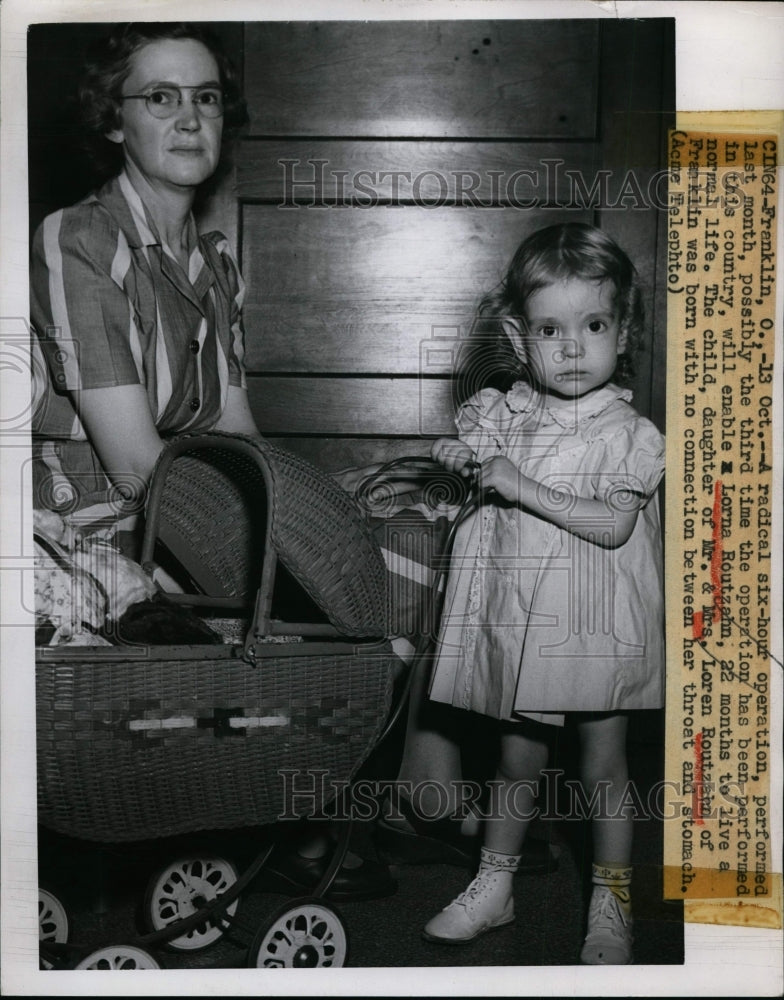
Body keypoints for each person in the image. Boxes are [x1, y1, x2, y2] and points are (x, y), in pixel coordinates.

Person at [30, 20, 393, 902]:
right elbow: (133, 466)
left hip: (172, 509)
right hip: (87, 521)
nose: (190, 118)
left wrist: (329, 516)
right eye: (161, 97)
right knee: (305, 613)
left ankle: (298, 795)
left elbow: (238, 432)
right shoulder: (77, 240)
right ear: (114, 120)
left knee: (401, 545)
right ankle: (264, 800)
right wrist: (288, 560)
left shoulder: (215, 264)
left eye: (206, 98)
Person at [418, 222, 665, 964]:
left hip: (595, 621)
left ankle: (612, 901)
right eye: (550, 329)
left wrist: (521, 486)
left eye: (593, 325)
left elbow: (614, 527)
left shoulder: (629, 432)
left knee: (603, 767)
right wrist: (464, 456)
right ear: (518, 338)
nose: (572, 347)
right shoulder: (509, 414)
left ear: (624, 333)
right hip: (523, 624)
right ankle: (495, 887)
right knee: (515, 761)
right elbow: (480, 469)